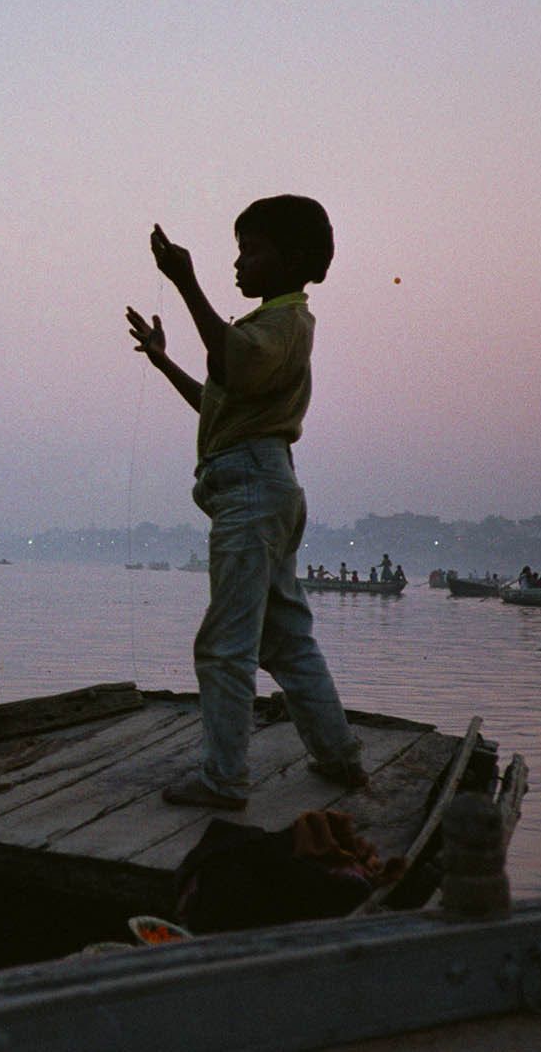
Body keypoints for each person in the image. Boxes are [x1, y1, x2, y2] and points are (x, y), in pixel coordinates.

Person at [125, 194, 367, 810]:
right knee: (285, 641)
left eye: (251, 252)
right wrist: (162, 360)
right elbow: (218, 395)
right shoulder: (269, 329)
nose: (239, 263)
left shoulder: (282, 326)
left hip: (254, 495)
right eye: (239, 251)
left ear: (292, 261)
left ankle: (224, 778)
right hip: (267, 487)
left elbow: (232, 366)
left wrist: (186, 282)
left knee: (224, 644)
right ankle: (338, 755)